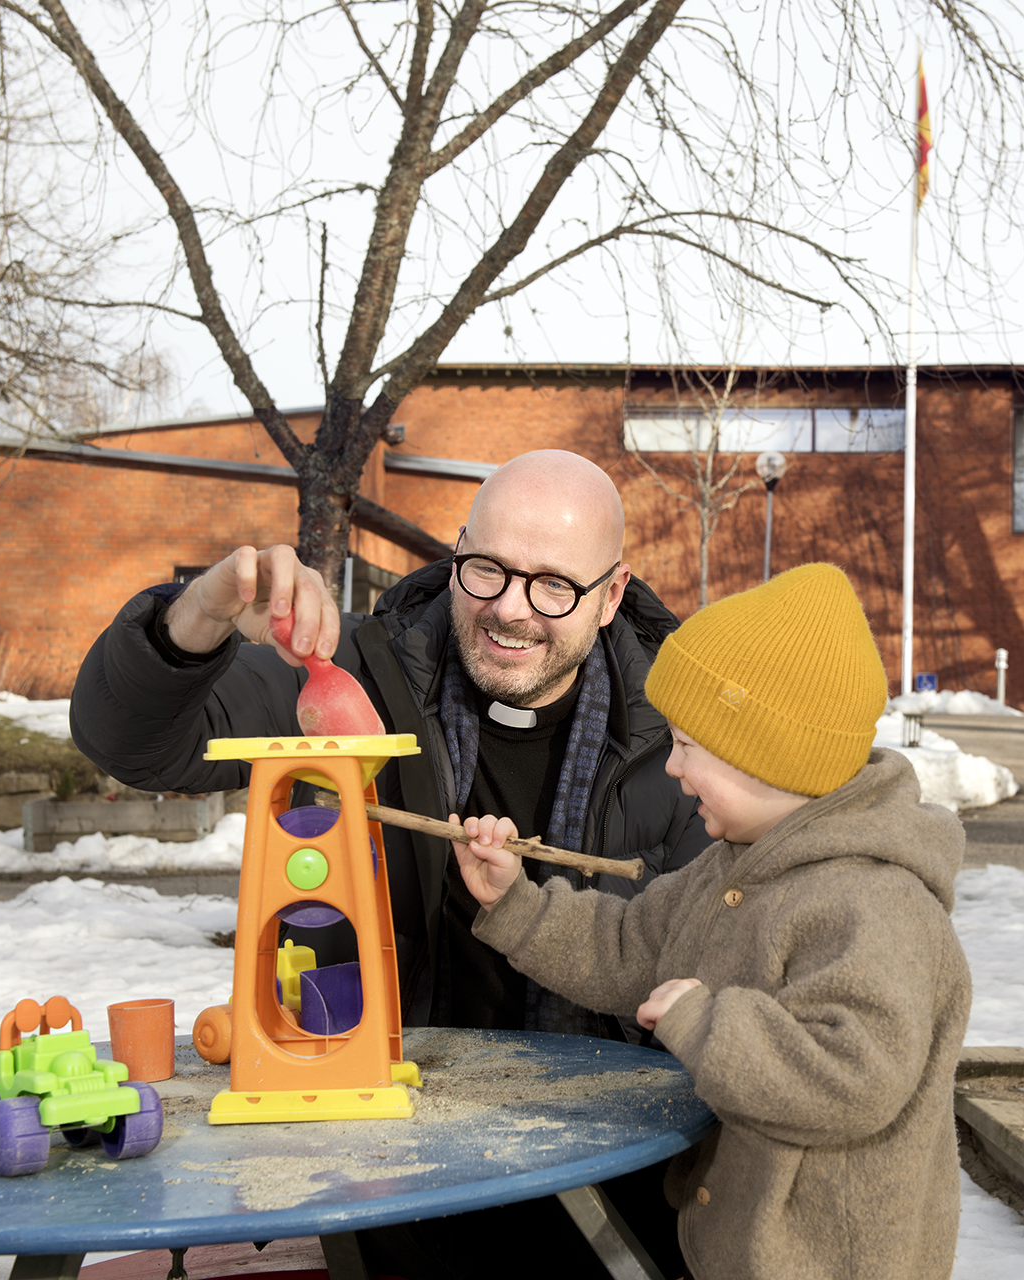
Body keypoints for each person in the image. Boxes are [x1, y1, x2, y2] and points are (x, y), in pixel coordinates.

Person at [70, 448, 711, 1277]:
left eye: (554, 584)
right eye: (486, 569)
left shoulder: (688, 736)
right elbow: (134, 744)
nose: (511, 610)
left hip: (625, 1184)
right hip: (394, 1171)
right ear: (453, 555)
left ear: (613, 594)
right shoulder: (357, 674)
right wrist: (199, 615)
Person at [451, 564, 973, 1280]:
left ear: (769, 757)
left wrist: (707, 1023)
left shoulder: (874, 905)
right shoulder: (732, 864)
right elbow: (632, 946)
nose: (671, 767)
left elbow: (854, 1076)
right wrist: (516, 904)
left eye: (690, 746)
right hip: (733, 1246)